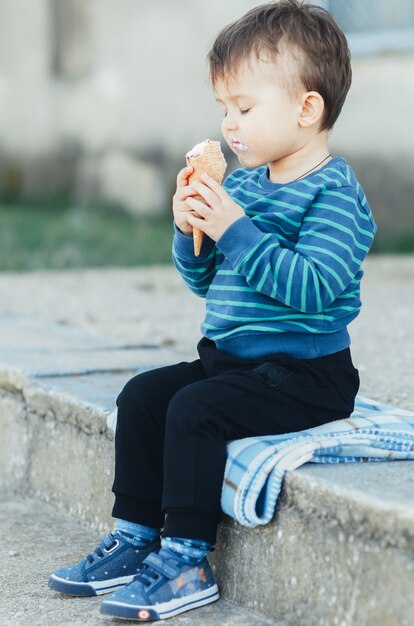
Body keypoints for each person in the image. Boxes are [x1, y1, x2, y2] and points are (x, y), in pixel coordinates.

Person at [48, 0, 376, 621]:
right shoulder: (245, 186)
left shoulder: (336, 194)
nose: (230, 124)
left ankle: (187, 560)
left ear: (308, 108)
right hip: (230, 362)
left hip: (306, 376)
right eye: (224, 109)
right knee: (143, 396)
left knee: (196, 412)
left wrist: (237, 232)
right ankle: (137, 536)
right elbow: (207, 283)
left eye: (245, 108)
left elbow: (313, 288)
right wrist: (191, 230)